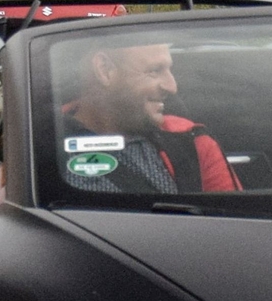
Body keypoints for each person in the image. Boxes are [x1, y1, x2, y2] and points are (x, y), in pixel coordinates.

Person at [55, 41, 238, 194]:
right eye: (155, 70)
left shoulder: (192, 143)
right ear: (104, 69)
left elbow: (228, 224)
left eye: (169, 70)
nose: (172, 87)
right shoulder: (39, 146)